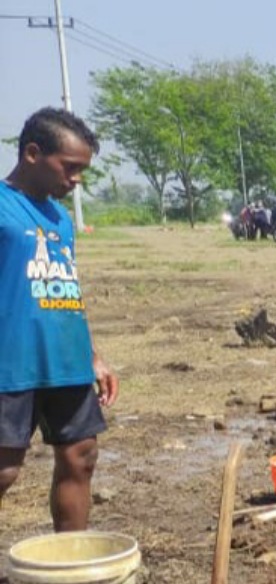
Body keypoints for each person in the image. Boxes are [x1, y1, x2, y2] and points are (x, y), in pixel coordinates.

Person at [1, 108, 118, 531]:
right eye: (70, 168)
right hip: (12, 363)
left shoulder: (60, 218)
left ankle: (71, 565)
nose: (76, 180)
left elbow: (65, 286)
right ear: (33, 153)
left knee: (80, 455)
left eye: (82, 170)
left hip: (65, 360)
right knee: (5, 469)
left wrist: (93, 355)